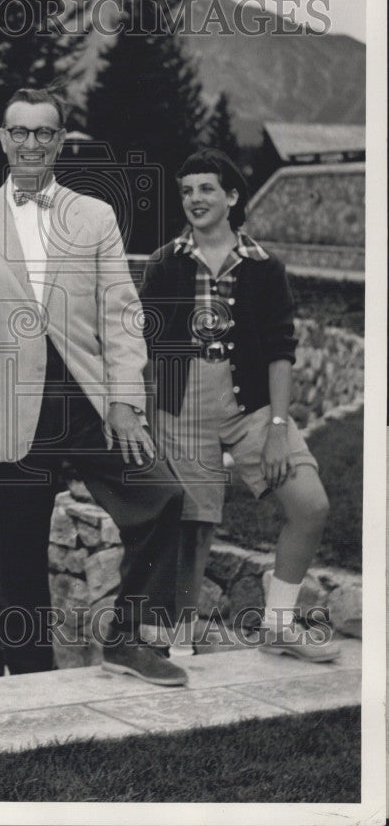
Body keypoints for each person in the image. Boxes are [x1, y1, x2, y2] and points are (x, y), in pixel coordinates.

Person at [0, 87, 187, 684]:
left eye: (44, 132)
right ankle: (26, 679)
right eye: (20, 132)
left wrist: (126, 402)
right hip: (9, 409)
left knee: (163, 497)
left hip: (89, 402)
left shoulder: (95, 216)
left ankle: (128, 640)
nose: (31, 143)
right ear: (3, 138)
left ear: (59, 140)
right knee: (19, 552)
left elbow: (122, 316)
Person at [139, 147, 340, 661]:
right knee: (193, 524)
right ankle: (179, 642)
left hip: (249, 404)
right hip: (181, 406)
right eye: (186, 191)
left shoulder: (264, 267)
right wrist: (150, 418)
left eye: (206, 189)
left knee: (310, 504)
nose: (195, 199)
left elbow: (280, 351)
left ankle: (278, 624)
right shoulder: (165, 264)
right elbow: (146, 347)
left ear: (230, 197)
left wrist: (277, 425)